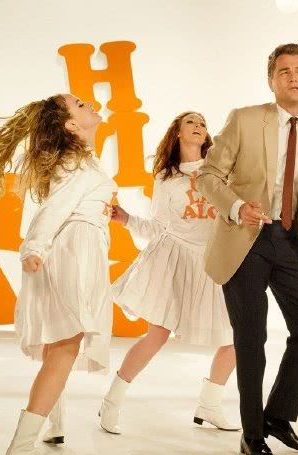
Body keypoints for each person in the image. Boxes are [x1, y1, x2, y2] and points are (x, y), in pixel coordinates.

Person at [197, 44, 298, 455]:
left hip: (289, 238)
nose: (292, 77)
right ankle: (251, 433)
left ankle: (277, 417)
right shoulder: (245, 119)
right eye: (284, 71)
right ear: (271, 81)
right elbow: (208, 174)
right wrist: (236, 206)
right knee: (251, 337)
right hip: (243, 238)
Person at [0, 94, 117, 455]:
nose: (89, 103)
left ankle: (53, 424)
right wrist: (33, 246)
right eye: (79, 104)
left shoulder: (80, 159)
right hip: (74, 252)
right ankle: (21, 447)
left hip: (76, 248)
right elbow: (53, 209)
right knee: (65, 345)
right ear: (71, 125)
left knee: (60, 342)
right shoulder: (76, 162)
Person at [98, 112, 240, 433]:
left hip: (211, 262)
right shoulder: (166, 177)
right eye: (191, 122)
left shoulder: (222, 171)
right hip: (174, 258)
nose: (198, 126)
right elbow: (158, 227)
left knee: (236, 338)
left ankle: (209, 405)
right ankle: (111, 401)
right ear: (177, 132)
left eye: (202, 123)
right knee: (157, 335)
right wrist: (126, 219)